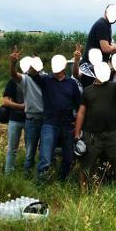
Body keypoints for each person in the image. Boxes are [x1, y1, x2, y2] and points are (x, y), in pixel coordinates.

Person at [74, 60, 116, 190]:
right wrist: (77, 134)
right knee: (86, 165)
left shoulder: (115, 86)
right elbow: (81, 113)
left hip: (112, 134)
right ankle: (84, 193)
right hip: (91, 135)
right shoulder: (87, 91)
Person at [33, 52, 82, 183]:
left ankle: (62, 181)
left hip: (67, 125)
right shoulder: (45, 80)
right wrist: (34, 63)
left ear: (65, 66)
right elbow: (33, 75)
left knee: (69, 158)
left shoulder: (71, 83)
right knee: (45, 156)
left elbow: (79, 105)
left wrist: (77, 126)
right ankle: (41, 182)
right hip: (50, 123)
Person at [9, 51, 45, 178]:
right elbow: (14, 75)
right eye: (30, 66)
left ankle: (43, 175)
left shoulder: (46, 78)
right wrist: (13, 63)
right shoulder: (25, 79)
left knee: (46, 151)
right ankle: (27, 175)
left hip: (46, 121)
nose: (32, 68)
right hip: (32, 120)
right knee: (30, 152)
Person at [2, 75, 25, 175]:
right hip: (14, 119)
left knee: (30, 149)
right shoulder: (13, 81)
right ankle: (8, 174)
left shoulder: (36, 79)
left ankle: (27, 173)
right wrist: (20, 106)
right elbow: (5, 101)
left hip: (30, 120)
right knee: (12, 148)